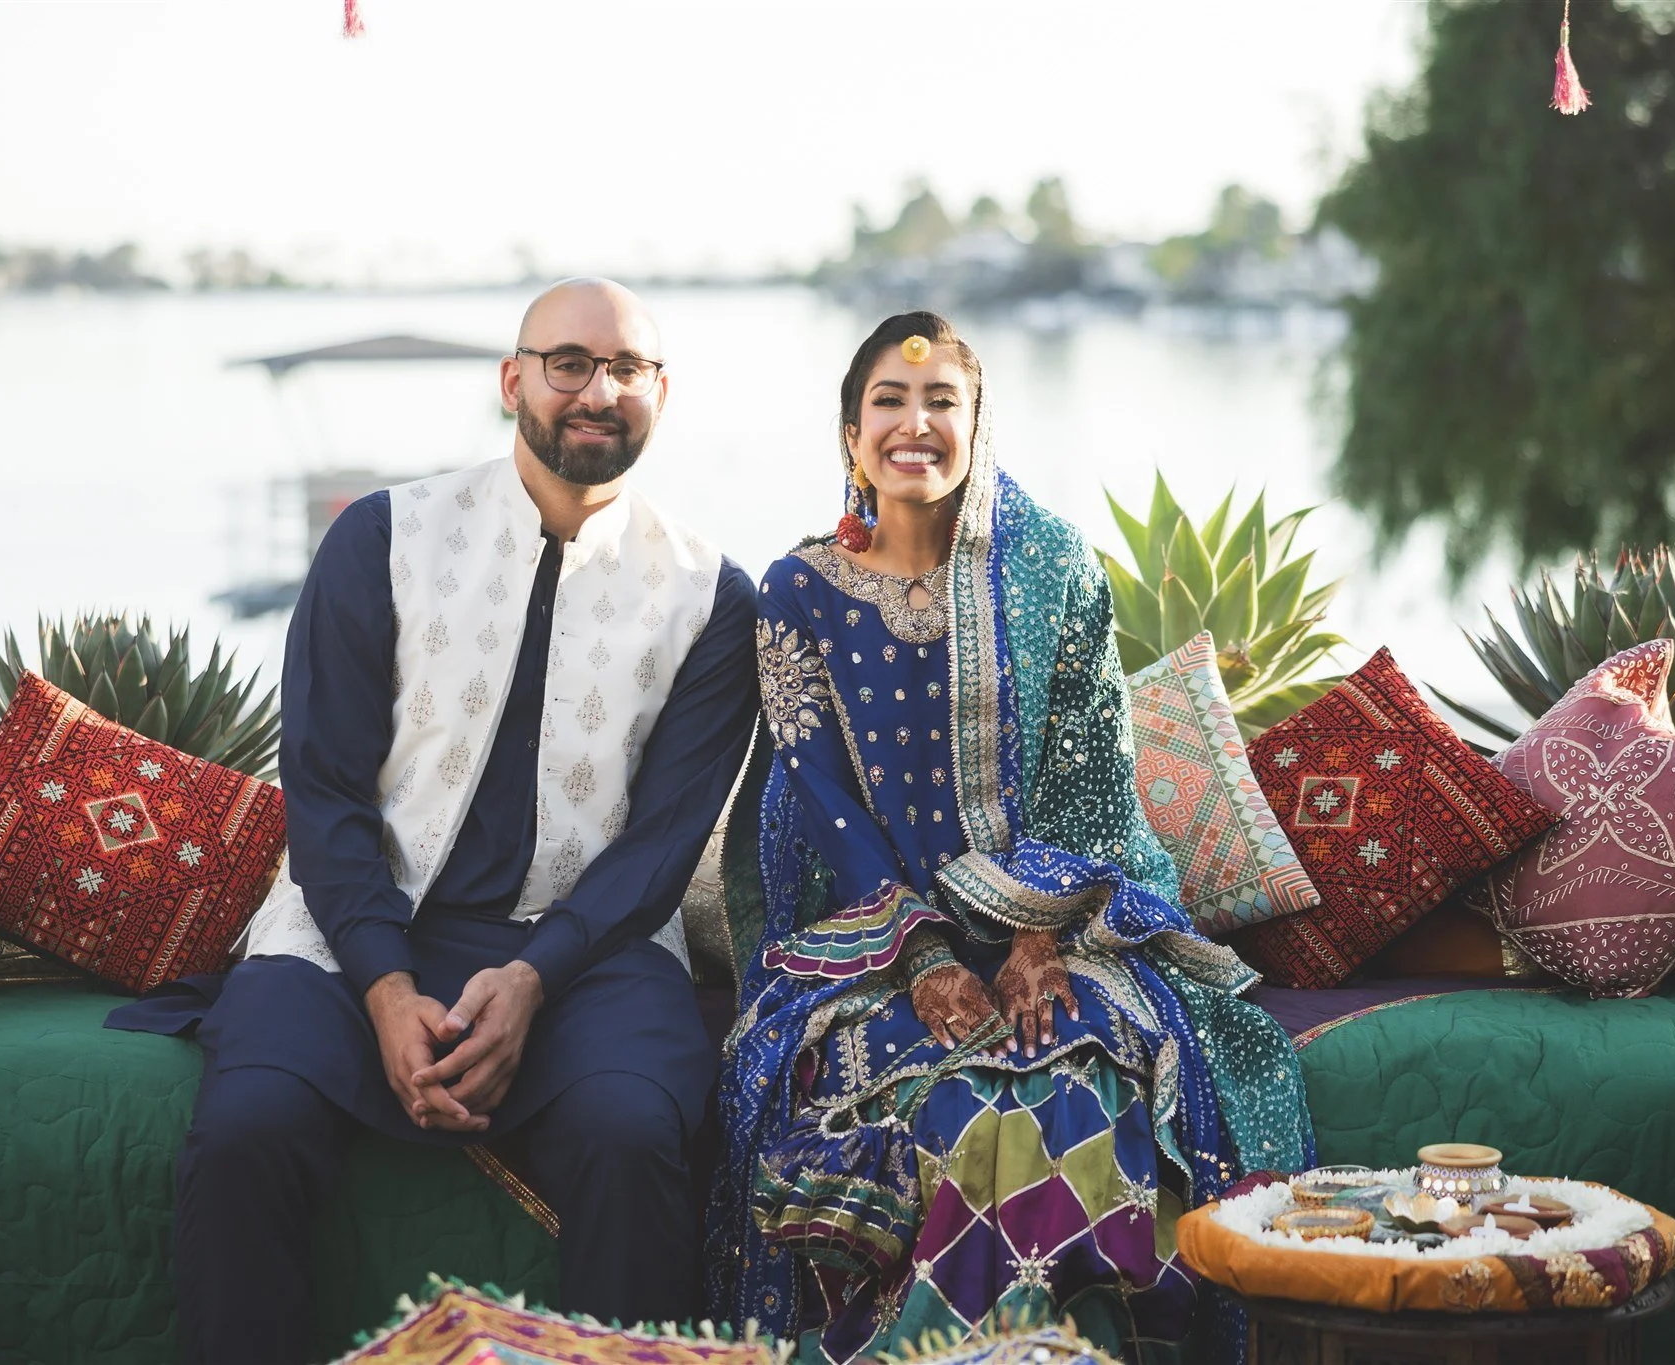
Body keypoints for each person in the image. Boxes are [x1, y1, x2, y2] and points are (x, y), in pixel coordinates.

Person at [110, 279, 759, 1364]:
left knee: (631, 1132)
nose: (597, 391)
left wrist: (532, 979)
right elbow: (324, 793)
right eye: (567, 363)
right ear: (513, 382)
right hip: (358, 927)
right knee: (246, 1130)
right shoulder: (382, 538)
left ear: (660, 392)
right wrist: (385, 986)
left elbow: (658, 847)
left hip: (586, 948)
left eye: (626, 369)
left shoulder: (711, 596)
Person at [707, 313, 1313, 1364]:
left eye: (941, 400)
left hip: (1062, 927)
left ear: (976, 425)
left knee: (1065, 1080)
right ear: (849, 437)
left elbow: (1090, 786)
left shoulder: (1054, 571)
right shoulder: (796, 594)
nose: (914, 423)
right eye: (887, 404)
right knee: (938, 1103)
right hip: (875, 944)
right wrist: (929, 959)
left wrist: (1038, 942)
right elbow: (824, 804)